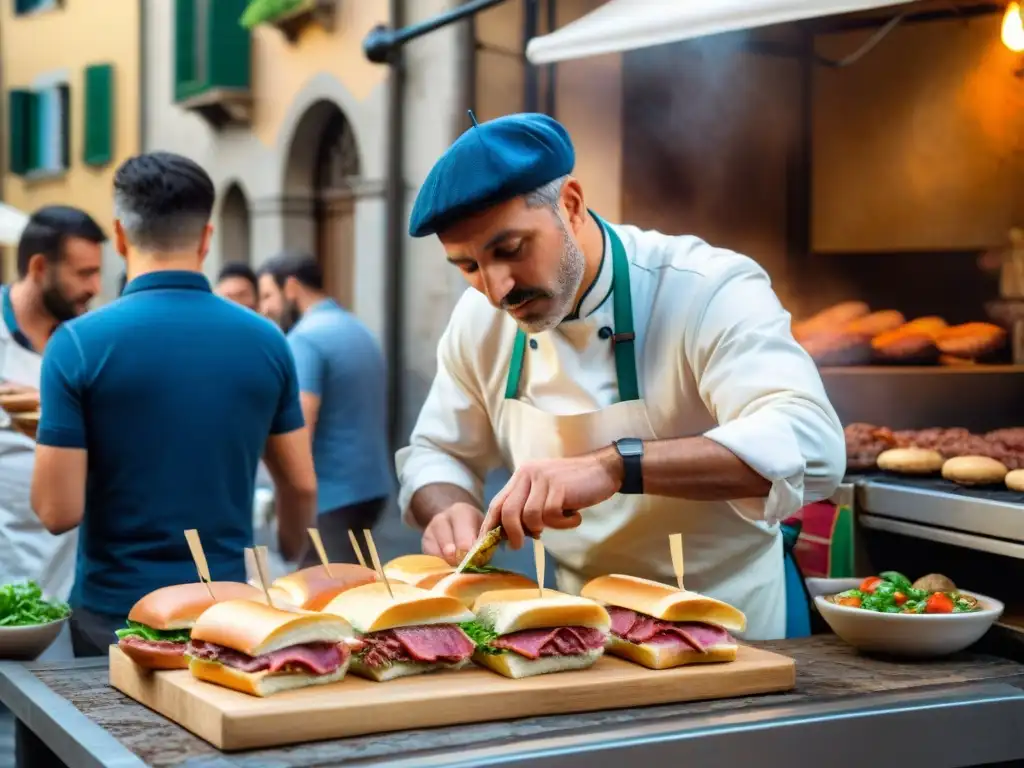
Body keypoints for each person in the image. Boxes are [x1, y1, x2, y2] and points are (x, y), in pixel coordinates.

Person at [396, 113, 846, 640]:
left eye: (510, 250)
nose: (497, 290)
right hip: (578, 627)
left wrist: (615, 466)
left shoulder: (705, 288)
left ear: (570, 204)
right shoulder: (480, 322)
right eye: (468, 267)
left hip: (733, 619)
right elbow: (436, 452)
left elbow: (811, 442)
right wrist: (448, 506)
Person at [30, 152, 318, 656]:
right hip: (223, 613)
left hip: (113, 619)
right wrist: (291, 549)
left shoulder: (77, 345)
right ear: (207, 239)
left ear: (120, 238)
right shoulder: (268, 341)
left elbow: (57, 511)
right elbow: (300, 483)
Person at [258, 252, 392, 565]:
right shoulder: (356, 328)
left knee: (323, 603)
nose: (264, 308)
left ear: (291, 288)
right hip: (371, 490)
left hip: (330, 500)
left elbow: (298, 433)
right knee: (358, 590)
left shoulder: (305, 339)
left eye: (267, 295)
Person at [0, 206, 104, 606]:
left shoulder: (90, 342)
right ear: (39, 266)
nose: (95, 286)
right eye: (83, 274)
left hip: (73, 586)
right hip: (9, 573)